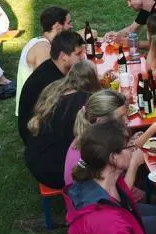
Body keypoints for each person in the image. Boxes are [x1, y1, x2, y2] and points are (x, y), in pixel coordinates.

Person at [25, 61, 101, 190]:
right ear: (92, 79)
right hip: (59, 171)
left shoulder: (54, 88)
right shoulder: (84, 102)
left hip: (36, 160)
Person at [17, 29, 86, 144]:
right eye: (78, 54)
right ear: (64, 56)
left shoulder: (53, 66)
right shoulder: (52, 81)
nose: (83, 57)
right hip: (38, 137)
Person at [16, 6, 71, 116]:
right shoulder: (43, 50)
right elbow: (48, 86)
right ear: (57, 26)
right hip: (35, 111)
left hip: (36, 104)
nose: (71, 26)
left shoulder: (39, 41)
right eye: (68, 23)